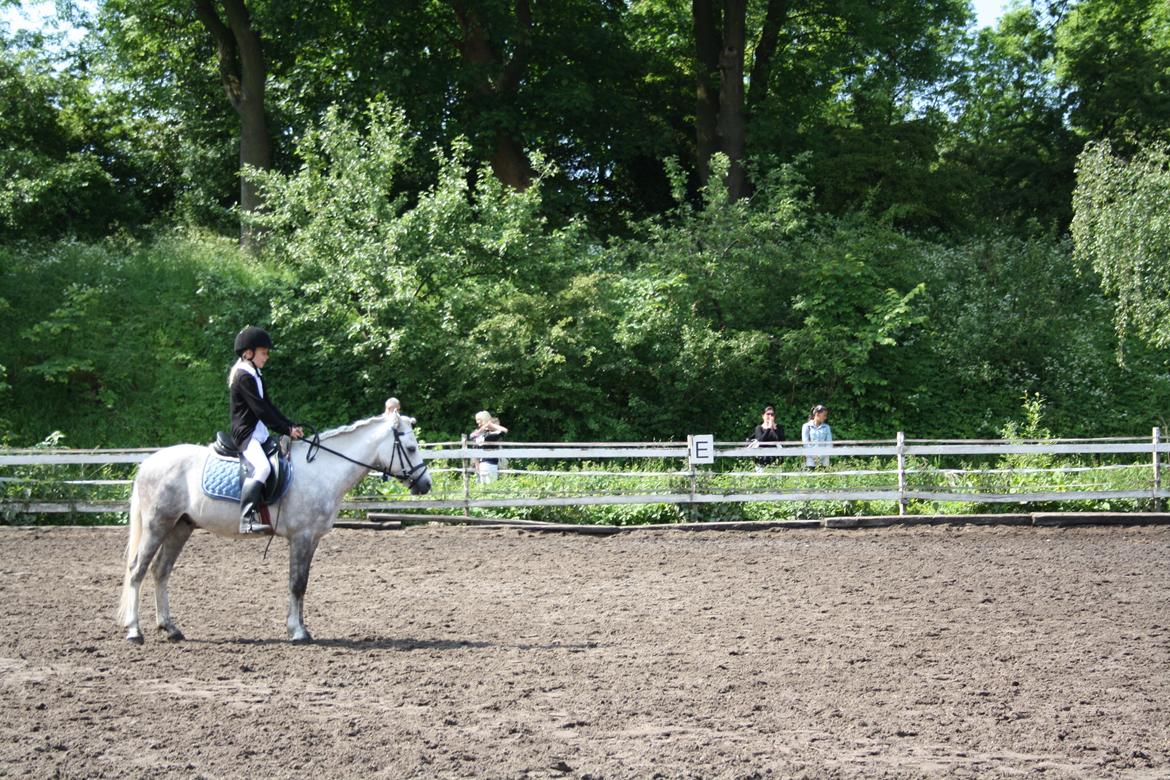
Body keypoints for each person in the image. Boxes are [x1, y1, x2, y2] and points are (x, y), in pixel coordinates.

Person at [229, 326, 303, 534]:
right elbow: (260, 410)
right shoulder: (243, 376)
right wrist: (284, 429)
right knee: (262, 467)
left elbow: (269, 406)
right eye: (264, 353)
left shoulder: (256, 374)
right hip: (246, 435)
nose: (266, 357)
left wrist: (289, 425)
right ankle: (247, 518)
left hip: (258, 433)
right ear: (248, 353)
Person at [470, 410, 508, 483]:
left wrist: (485, 426)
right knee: (491, 486)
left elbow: (473, 436)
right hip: (490, 465)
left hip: (482, 464)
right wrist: (490, 425)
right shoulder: (490, 436)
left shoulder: (481, 435)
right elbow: (504, 430)